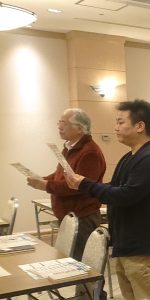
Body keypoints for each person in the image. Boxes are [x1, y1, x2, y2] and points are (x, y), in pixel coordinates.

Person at [66, 100, 150, 300]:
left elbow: (125, 195)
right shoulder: (130, 157)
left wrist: (86, 185)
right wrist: (83, 185)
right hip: (127, 244)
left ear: (140, 126)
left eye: (121, 122)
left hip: (144, 249)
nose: (115, 127)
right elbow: (115, 188)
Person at [27, 108, 106, 261]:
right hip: (68, 215)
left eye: (63, 123)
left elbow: (77, 187)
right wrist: (41, 179)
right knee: (67, 261)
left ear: (80, 128)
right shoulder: (69, 147)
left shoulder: (90, 152)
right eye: (59, 122)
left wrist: (45, 185)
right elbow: (60, 175)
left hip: (82, 217)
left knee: (80, 264)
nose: (59, 126)